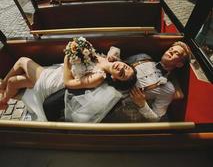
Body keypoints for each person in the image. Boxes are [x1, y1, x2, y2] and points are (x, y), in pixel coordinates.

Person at [0, 38, 137, 114]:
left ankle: (1, 87)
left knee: (23, 60)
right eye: (125, 66)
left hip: (55, 82)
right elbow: (115, 47)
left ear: (114, 78)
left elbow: (68, 83)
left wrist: (67, 57)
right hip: (56, 71)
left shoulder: (98, 78)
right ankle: (3, 101)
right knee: (14, 82)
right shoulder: (110, 59)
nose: (121, 68)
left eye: (122, 74)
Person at [108, 41, 191, 122]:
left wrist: (142, 104)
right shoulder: (143, 57)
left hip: (118, 109)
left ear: (179, 64)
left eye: (177, 53)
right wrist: (113, 53)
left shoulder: (168, 89)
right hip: (105, 86)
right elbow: (119, 62)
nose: (171, 51)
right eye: (171, 49)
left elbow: (156, 119)